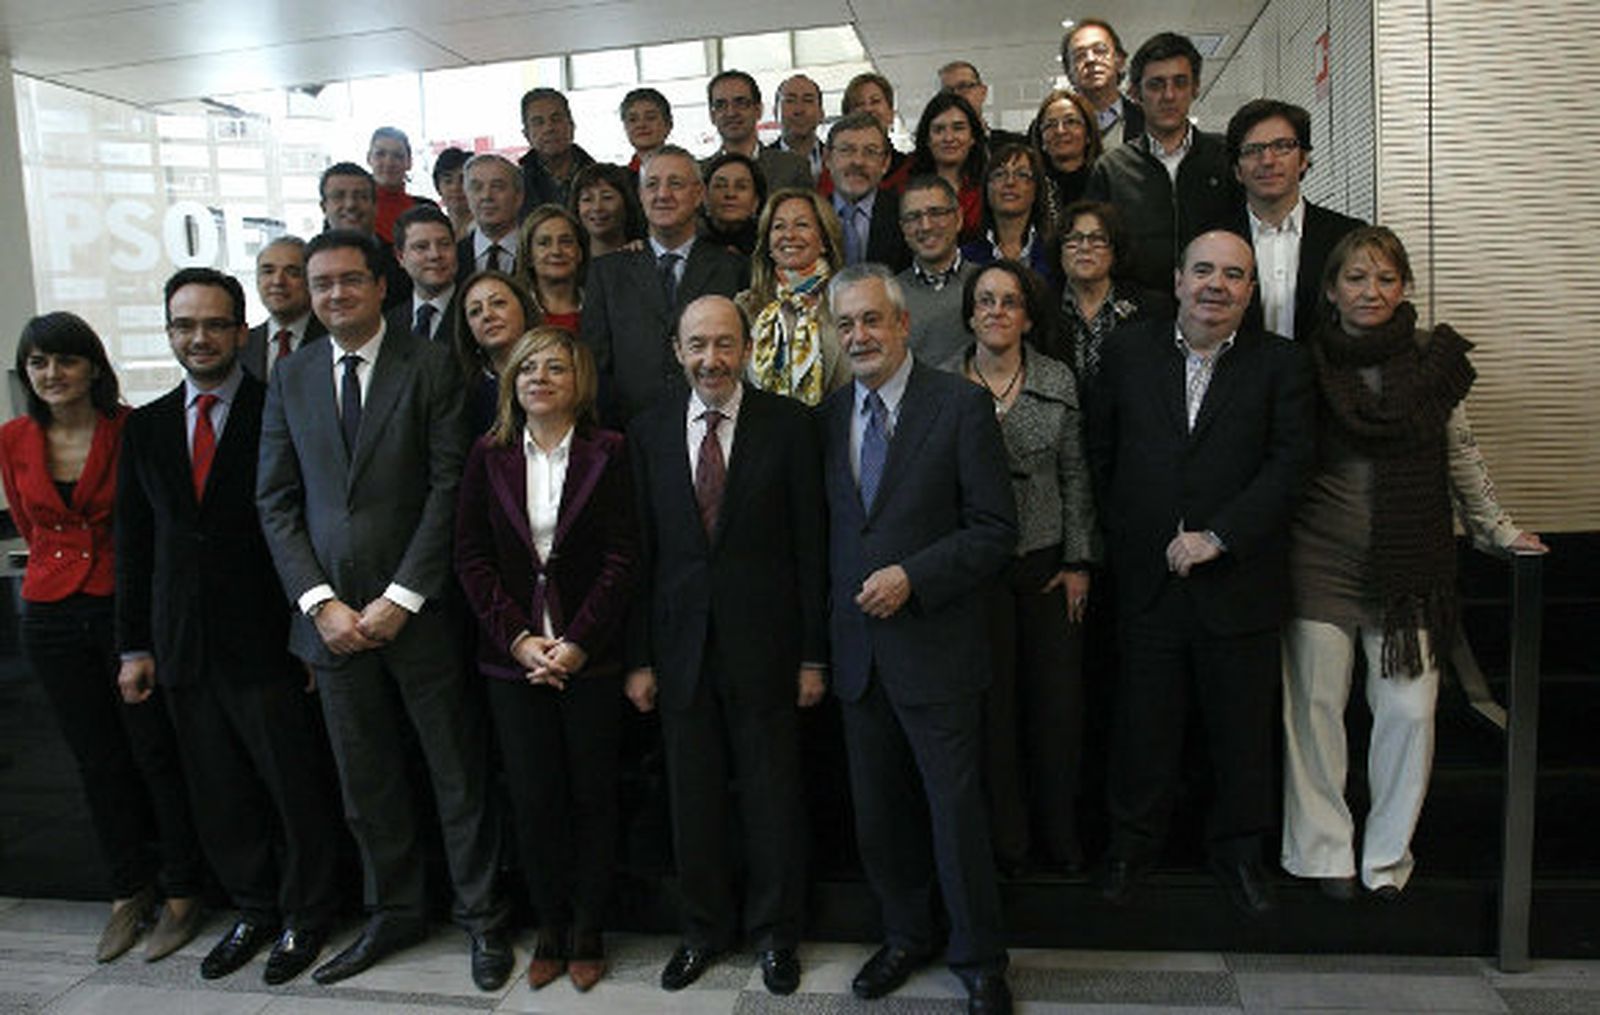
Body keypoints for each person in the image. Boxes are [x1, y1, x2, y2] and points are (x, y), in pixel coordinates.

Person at [256, 229, 512, 989]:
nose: (335, 295)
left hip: (420, 614)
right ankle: (392, 912)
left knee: (456, 772)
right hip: (331, 624)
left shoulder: (432, 365)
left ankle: (484, 918)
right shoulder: (291, 375)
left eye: (349, 281)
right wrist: (320, 603)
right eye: (321, 283)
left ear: (380, 286)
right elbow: (275, 501)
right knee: (366, 779)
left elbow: (448, 489)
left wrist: (402, 596)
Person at [1282, 226, 1548, 900]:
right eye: (1356, 278)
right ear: (1332, 289)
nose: (1370, 291)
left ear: (1404, 288)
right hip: (1320, 560)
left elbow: (1461, 456)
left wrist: (1498, 527)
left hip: (1410, 570)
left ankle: (1386, 857)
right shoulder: (1304, 363)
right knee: (1313, 709)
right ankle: (1324, 852)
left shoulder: (1434, 363)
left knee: (1410, 710)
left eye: (1385, 279)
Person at [115, 267, 342, 985]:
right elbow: (134, 543)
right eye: (185, 325)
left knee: (293, 785)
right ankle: (253, 906)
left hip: (268, 640)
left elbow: (301, 524)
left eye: (215, 324)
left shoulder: (281, 408)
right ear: (170, 333)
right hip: (182, 643)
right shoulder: (146, 426)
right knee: (219, 789)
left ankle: (308, 913)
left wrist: (307, 630)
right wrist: (135, 644)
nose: (200, 337)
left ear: (241, 333)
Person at [1086, 231, 1314, 918]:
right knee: (1141, 727)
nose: (1217, 285)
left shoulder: (1284, 364)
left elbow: (1290, 467)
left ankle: (1241, 853)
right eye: (1204, 270)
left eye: (1234, 275)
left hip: (1238, 580)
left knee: (1241, 731)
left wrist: (1220, 537)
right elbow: (1102, 449)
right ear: (1179, 279)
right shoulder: (1128, 351)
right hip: (1147, 579)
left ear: (1252, 290)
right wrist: (1132, 536)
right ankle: (1131, 847)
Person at [821, 264, 1017, 1013]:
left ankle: (979, 958)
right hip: (859, 658)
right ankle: (905, 935)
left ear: (903, 325)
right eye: (847, 325)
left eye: (873, 320)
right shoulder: (828, 415)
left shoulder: (960, 407)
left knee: (955, 813)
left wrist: (914, 574)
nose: (860, 336)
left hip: (937, 648)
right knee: (880, 817)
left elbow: (995, 530)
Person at [625, 294, 826, 998]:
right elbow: (640, 554)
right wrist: (640, 658)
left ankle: (776, 935)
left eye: (723, 344)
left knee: (774, 798)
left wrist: (812, 654)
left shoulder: (790, 425)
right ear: (677, 351)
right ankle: (702, 930)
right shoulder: (646, 431)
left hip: (767, 651)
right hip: (679, 653)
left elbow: (812, 548)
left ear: (746, 348)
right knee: (694, 800)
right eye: (696, 345)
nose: (710, 359)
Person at [1, 313, 204, 964]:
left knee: (153, 751)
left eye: (64, 360)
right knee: (96, 759)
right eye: (38, 363)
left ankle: (182, 888)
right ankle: (128, 888)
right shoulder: (13, 438)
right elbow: (32, 527)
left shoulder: (130, 429)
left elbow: (146, 526)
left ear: (92, 365)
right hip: (49, 612)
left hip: (123, 607)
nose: (52, 374)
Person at [454, 327, 638, 992]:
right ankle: (550, 926)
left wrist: (579, 639)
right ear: (512, 381)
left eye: (554, 366)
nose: (539, 377)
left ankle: (588, 927)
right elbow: (471, 558)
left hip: (589, 658)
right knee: (533, 800)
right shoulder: (490, 452)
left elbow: (622, 555)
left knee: (592, 796)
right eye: (527, 366)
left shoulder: (609, 450)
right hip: (514, 663)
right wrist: (520, 640)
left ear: (578, 378)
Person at [946, 262, 1098, 875]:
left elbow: (1076, 474)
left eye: (1010, 301)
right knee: (991, 713)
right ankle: (1003, 842)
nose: (997, 312)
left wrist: (1079, 559)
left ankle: (1059, 834)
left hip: (1045, 565)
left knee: (1056, 710)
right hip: (975, 573)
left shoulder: (1058, 378)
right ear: (970, 313)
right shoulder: (944, 383)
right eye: (985, 301)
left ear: (1029, 315)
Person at [581, 145, 748, 425]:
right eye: (652, 185)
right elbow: (595, 366)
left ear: (699, 194)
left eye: (675, 184)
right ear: (641, 195)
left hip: (717, 429)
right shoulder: (606, 273)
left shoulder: (734, 268)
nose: (662, 195)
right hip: (630, 433)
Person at [1084, 32, 1237, 294]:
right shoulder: (1111, 169)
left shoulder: (1227, 157)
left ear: (1195, 88)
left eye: (1180, 83)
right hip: (1138, 319)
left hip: (1217, 311)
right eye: (1156, 85)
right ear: (1135, 93)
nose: (1169, 95)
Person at [1223, 99, 1363, 340]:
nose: (1267, 160)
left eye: (1282, 146)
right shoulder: (1214, 240)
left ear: (1303, 159)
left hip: (1325, 376)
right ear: (1237, 170)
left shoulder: (1347, 237)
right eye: (1252, 150)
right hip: (1240, 376)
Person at [735, 188, 852, 404]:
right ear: (768, 243)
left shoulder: (850, 303)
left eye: (802, 225)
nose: (789, 235)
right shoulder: (744, 306)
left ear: (824, 240)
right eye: (779, 226)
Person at [1053, 200, 1162, 391]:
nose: (1085, 247)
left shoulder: (1151, 309)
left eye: (1097, 239)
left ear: (1115, 249)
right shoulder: (1041, 308)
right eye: (1074, 239)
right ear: (1060, 250)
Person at [895, 175, 981, 366]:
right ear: (903, 229)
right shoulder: (889, 294)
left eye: (936, 213)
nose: (926, 226)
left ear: (958, 218)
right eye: (914, 217)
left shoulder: (986, 284)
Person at [453, 269, 540, 437]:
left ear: (524, 306)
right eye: (475, 311)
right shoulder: (464, 394)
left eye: (498, 303)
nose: (487, 315)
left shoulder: (562, 371)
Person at [961, 142, 1059, 288]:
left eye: (1022, 175)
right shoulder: (966, 256)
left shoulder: (1056, 255)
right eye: (999, 174)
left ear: (1036, 189)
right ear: (986, 188)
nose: (1010, 182)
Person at [319, 162, 410, 310]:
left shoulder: (402, 263)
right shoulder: (307, 263)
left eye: (360, 196)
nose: (350, 205)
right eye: (339, 196)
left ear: (375, 205)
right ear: (324, 207)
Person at [826, 112, 911, 270]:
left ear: (885, 163)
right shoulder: (811, 215)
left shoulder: (906, 215)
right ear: (828, 158)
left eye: (870, 152)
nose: (858, 161)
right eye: (847, 150)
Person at [703, 70, 812, 192]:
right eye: (721, 105)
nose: (731, 112)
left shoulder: (793, 168)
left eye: (741, 103)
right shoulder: (699, 174)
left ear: (758, 110)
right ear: (712, 115)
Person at [245, 236, 324, 380]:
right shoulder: (242, 344)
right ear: (257, 280)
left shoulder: (333, 340)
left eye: (292, 273)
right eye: (268, 271)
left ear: (311, 281)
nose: (278, 281)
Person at [909, 92, 987, 241]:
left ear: (973, 137)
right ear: (927, 139)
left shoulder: (990, 187)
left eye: (958, 128)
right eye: (939, 130)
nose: (949, 138)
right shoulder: (906, 186)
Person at [384, 205, 460, 347]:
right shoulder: (387, 325)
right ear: (400, 257)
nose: (435, 255)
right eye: (421, 247)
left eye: (444, 244)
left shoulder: (474, 312)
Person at [1060, 18, 1144, 143]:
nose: (1090, 59)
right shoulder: (1053, 130)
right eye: (1080, 55)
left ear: (1119, 61)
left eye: (1100, 51)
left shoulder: (1148, 121)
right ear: (1069, 72)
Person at [1030, 89, 1104, 223]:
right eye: (1050, 125)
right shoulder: (1030, 189)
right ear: (1041, 140)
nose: (1060, 131)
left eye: (1070, 122)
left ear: (1088, 134)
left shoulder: (1107, 182)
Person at [514, 204, 588, 334]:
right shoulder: (516, 310)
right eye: (544, 243)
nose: (556, 251)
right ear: (529, 256)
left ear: (579, 253)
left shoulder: (599, 304)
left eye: (566, 242)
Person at [520, 87, 596, 213]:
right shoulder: (516, 185)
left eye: (556, 119)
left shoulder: (601, 177)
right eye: (538, 122)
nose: (549, 128)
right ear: (526, 134)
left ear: (571, 126)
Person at [841, 72, 911, 189]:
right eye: (859, 104)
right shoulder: (834, 172)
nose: (868, 109)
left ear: (891, 114)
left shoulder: (911, 169)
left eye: (875, 101)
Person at [458, 154, 524, 280]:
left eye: (497, 187)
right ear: (466, 196)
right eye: (477, 188)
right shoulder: (453, 257)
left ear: (518, 196)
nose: (486, 196)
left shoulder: (536, 252)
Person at [367, 127, 436, 245]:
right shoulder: (353, 212)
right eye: (380, 154)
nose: (389, 162)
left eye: (398, 156)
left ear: (409, 162)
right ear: (369, 158)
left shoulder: (427, 209)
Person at [936, 60, 1027, 148]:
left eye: (963, 86)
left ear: (982, 92)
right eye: (947, 91)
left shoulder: (1015, 145)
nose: (956, 95)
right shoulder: (937, 150)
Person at [570, 162, 647, 259]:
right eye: (587, 199)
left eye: (607, 198)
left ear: (626, 203)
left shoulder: (644, 256)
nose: (597, 207)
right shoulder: (570, 263)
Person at [700, 152, 767, 257]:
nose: (730, 194)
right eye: (720, 186)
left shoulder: (771, 247)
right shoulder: (688, 245)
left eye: (741, 187)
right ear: (705, 198)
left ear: (756, 201)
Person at [771, 73, 826, 181]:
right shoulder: (759, 164)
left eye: (808, 100)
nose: (799, 110)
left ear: (821, 113)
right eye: (790, 101)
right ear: (775, 112)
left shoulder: (837, 159)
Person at [620, 87, 673, 175]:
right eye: (633, 119)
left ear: (668, 124)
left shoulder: (687, 171)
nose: (641, 125)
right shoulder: (620, 180)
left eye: (650, 118)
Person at [432, 147, 475, 239]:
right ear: (438, 187)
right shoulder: (433, 231)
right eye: (448, 181)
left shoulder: (487, 231)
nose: (455, 187)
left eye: (463, 180)